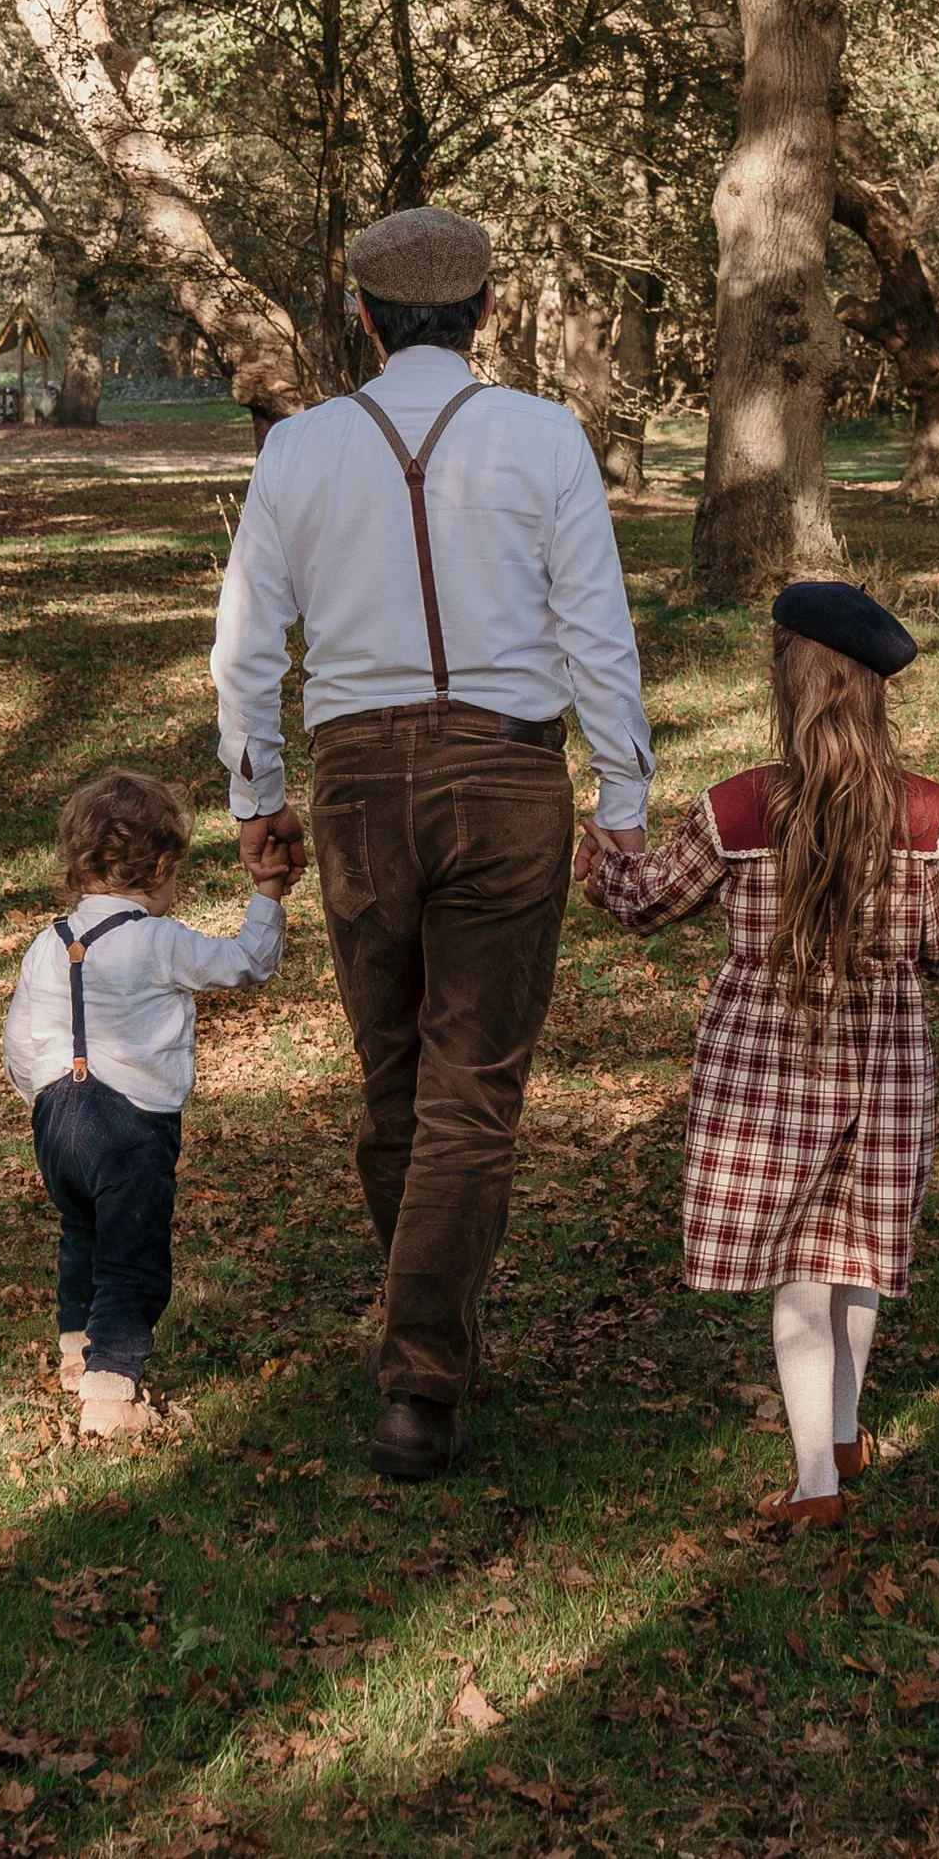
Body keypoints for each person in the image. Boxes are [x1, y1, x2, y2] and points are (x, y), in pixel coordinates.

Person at [210, 205, 655, 1481]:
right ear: (485, 313)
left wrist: (257, 796)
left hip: (357, 784)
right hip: (506, 776)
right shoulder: (543, 434)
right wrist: (620, 799)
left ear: (361, 315)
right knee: (473, 1086)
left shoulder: (298, 449)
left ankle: (422, 1347)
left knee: (396, 1073)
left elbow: (247, 643)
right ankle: (425, 1362)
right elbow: (596, 629)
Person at [578, 578, 939, 1530]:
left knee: (801, 1264)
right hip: (886, 1063)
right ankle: (840, 1434)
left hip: (769, 1065)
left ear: (786, 682)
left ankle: (816, 1487)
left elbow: (646, 900)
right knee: (857, 1253)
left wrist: (600, 859)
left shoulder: (739, 808)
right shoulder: (928, 815)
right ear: (874, 693)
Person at [2, 767, 295, 1440]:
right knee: (133, 1253)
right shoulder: (159, 941)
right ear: (162, 866)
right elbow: (246, 962)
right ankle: (111, 1393)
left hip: (56, 1117)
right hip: (130, 1125)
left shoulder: (46, 945)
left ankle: (77, 1350)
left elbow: (19, 1038)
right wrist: (268, 896)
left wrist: (41, 1101)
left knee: (83, 1234)